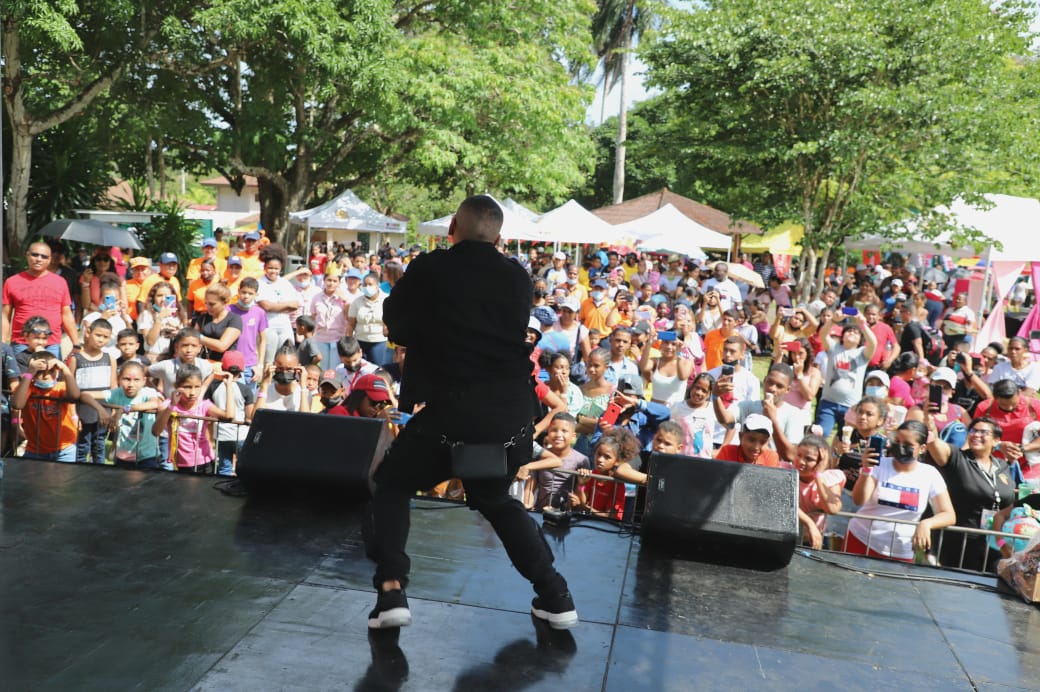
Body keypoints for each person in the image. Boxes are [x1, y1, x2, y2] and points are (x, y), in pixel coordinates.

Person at [365, 195, 577, 632]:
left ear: (451, 230)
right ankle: (556, 596)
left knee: (391, 484)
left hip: (454, 412)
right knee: (494, 498)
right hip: (511, 414)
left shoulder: (430, 267)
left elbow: (398, 326)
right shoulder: (517, 277)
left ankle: (391, 591)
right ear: (500, 237)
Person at [845, 421, 955, 562]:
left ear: (922, 448)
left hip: (900, 551)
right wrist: (866, 470)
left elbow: (949, 515)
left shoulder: (930, 474)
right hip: (861, 541)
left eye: (908, 445)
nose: (901, 447)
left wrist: (926, 524)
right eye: (897, 441)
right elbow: (859, 500)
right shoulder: (879, 464)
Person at [925, 414, 1014, 572]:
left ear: (996, 440)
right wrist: (930, 422)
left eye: (983, 432)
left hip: (993, 544)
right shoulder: (958, 458)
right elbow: (934, 443)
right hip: (959, 541)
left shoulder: (1002, 466)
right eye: (973, 430)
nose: (976, 435)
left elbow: (1007, 501)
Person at [11, 352, 99, 462]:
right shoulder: (28, 388)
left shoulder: (61, 387)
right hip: (35, 449)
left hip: (64, 449)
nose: (46, 376)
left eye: (51, 371)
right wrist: (29, 373)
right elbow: (17, 404)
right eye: (40, 372)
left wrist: (65, 370)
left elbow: (74, 396)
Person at [152, 364, 235, 473]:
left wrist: (228, 386)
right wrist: (171, 406)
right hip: (179, 464)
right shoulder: (168, 405)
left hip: (204, 461)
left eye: (197, 387)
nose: (192, 393)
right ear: (176, 386)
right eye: (187, 387)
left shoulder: (204, 405)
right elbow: (156, 431)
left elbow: (229, 416)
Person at [2, 242, 79, 358]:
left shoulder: (60, 282)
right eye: (35, 255)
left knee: (50, 376)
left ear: (49, 259)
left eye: (44, 256)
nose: (39, 259)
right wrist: (3, 344)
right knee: (25, 376)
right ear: (27, 255)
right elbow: (5, 316)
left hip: (51, 344)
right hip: (22, 344)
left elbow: (66, 314)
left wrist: (76, 343)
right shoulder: (11, 282)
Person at [815, 309, 877, 439]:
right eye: (849, 331)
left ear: (860, 339)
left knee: (845, 440)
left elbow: (873, 343)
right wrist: (833, 321)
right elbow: (823, 334)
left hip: (851, 407)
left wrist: (863, 325)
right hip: (828, 403)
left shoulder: (863, 354)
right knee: (821, 433)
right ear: (842, 336)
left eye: (856, 332)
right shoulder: (834, 348)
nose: (852, 333)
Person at [68, 318, 118, 464]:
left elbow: (113, 385)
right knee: (82, 445)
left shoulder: (110, 359)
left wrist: (113, 410)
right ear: (89, 333)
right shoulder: (76, 359)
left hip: (103, 409)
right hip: (82, 409)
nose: (101, 340)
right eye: (98, 335)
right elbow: (70, 388)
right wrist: (73, 414)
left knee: (99, 444)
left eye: (105, 337)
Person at [99, 361, 163, 470]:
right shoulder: (117, 393)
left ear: (144, 381)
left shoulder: (148, 392)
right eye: (127, 379)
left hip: (147, 456)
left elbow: (155, 403)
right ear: (119, 379)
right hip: (123, 455)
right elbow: (85, 395)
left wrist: (125, 409)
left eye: (136, 380)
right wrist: (100, 410)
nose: (131, 384)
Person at [571, 427, 641, 520]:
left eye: (607, 457)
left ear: (617, 461)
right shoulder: (591, 475)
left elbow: (610, 516)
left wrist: (585, 508)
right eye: (598, 454)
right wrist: (581, 485)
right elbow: (581, 503)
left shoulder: (617, 485)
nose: (600, 460)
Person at [207, 351, 256, 476]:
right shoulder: (245, 390)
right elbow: (249, 415)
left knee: (224, 468)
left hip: (221, 435)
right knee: (242, 468)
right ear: (243, 369)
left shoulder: (213, 387)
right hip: (240, 435)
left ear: (223, 367)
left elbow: (208, 410)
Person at [795, 435, 845, 549]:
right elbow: (783, 503)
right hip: (789, 539)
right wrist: (810, 523)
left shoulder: (830, 478)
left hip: (815, 542)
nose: (801, 461)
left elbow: (832, 509)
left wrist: (818, 475)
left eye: (809, 459)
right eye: (799, 455)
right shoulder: (786, 472)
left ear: (822, 461)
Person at [668, 373, 718, 457]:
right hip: (680, 458)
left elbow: (731, 426)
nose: (698, 392)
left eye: (704, 391)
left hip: (704, 460)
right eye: (697, 387)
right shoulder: (678, 407)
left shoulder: (713, 409)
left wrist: (721, 449)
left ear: (709, 394)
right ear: (691, 386)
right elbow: (667, 427)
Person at [192, 284, 242, 364]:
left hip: (225, 366)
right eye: (206, 303)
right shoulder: (203, 318)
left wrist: (198, 337)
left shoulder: (234, 319)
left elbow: (222, 346)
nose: (208, 307)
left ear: (225, 302)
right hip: (204, 365)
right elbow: (192, 341)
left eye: (212, 304)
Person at [348, 272, 390, 366]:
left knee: (377, 371)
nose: (367, 287)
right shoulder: (357, 301)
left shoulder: (386, 300)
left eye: (370, 284)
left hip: (379, 342)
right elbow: (351, 324)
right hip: (360, 341)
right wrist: (348, 342)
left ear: (377, 285)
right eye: (365, 284)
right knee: (360, 370)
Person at [714, 414, 782, 467]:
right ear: (740, 436)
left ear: (768, 441)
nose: (756, 447)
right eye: (752, 440)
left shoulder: (771, 457)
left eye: (762, 442)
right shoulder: (727, 451)